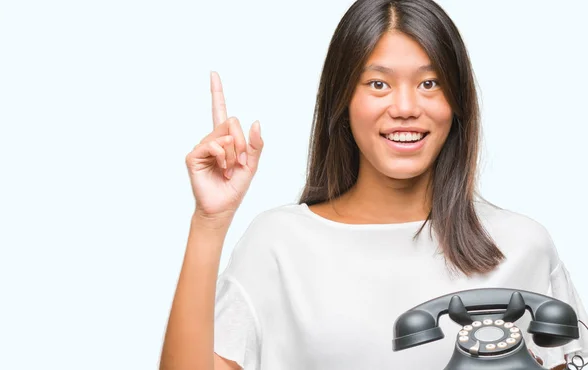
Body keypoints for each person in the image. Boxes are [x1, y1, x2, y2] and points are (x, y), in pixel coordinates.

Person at [159, 0, 588, 369]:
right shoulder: (278, 243)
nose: (405, 107)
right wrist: (210, 222)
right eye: (378, 83)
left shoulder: (521, 245)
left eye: (429, 83)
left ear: (456, 102)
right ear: (343, 98)